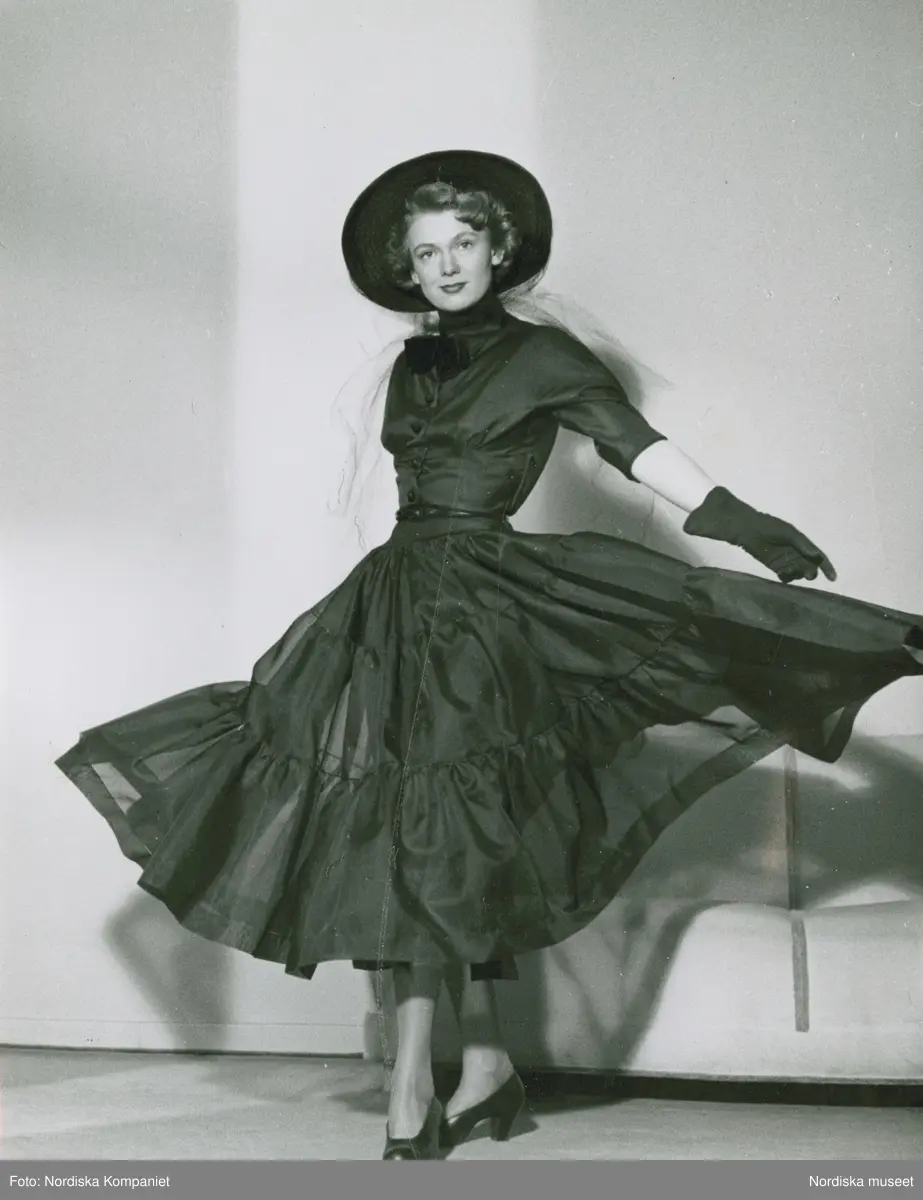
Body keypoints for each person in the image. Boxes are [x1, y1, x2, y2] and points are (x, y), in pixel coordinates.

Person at [56, 149, 923, 1160]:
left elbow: (633, 446)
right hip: (389, 604)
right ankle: (486, 1065)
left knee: (430, 829)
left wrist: (739, 520)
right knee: (414, 829)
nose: (447, 264)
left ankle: (411, 1088)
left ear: (496, 249)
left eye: (462, 242)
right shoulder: (409, 367)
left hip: (485, 612)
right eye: (426, 253)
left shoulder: (544, 358)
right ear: (408, 271)